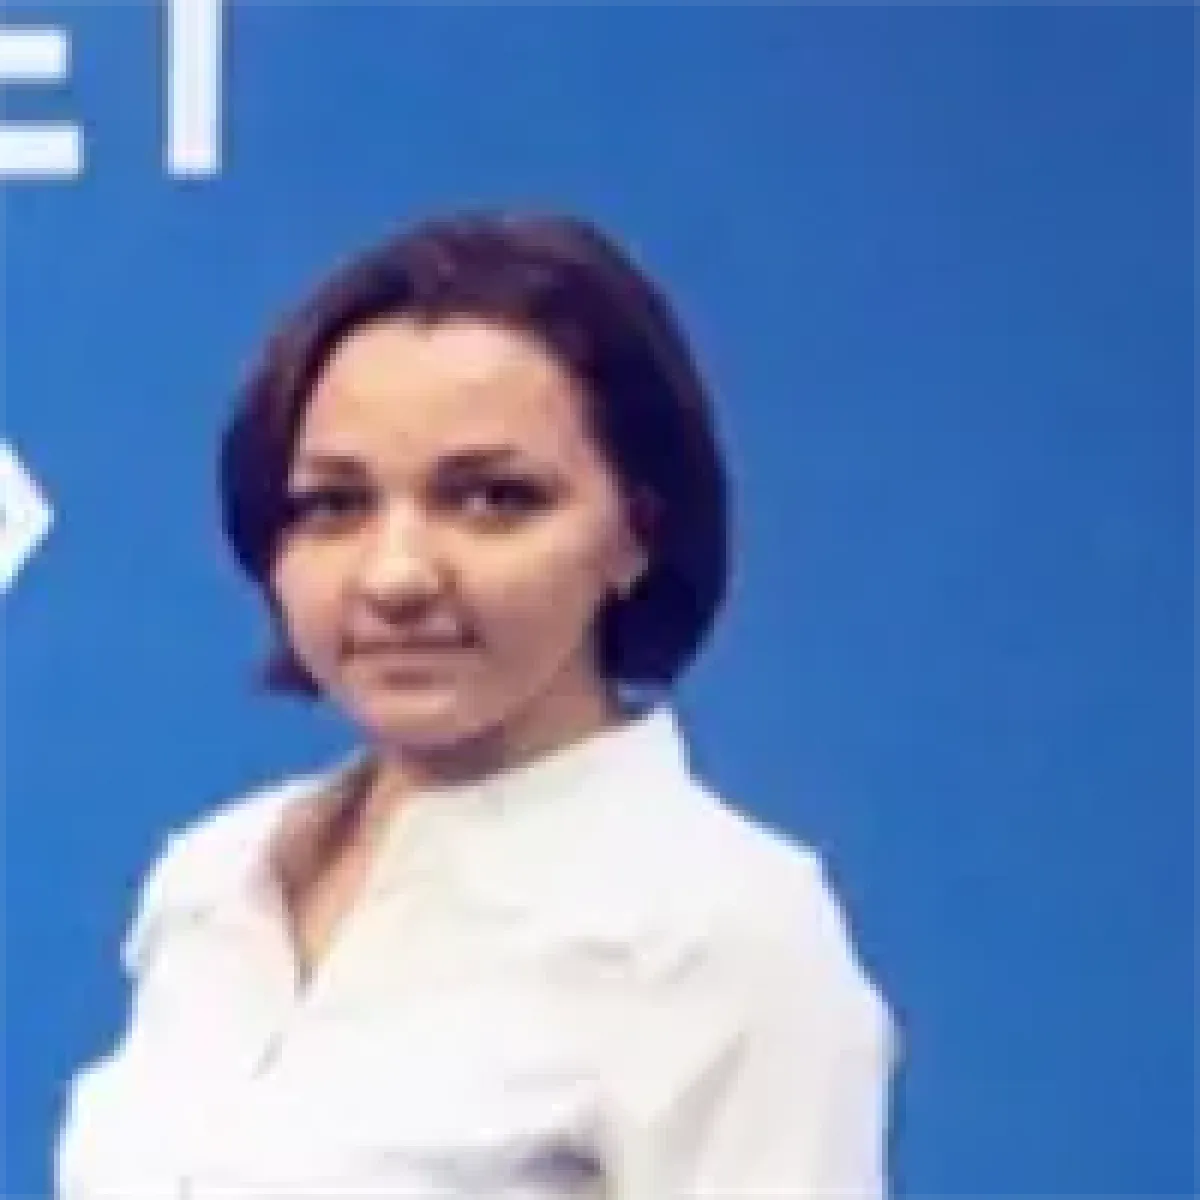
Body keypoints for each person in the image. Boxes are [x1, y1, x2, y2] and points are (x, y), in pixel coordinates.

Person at [55, 211, 897, 1199]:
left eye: (493, 499)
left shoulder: (722, 927)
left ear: (635, 531)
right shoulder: (214, 879)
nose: (397, 575)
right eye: (335, 505)